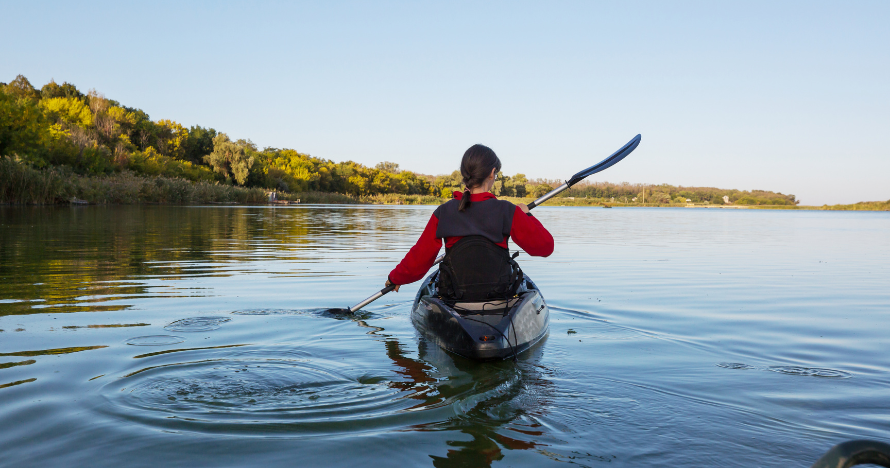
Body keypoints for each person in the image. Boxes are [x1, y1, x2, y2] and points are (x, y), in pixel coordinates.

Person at [385, 144, 554, 301]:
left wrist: (396, 278)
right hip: (499, 294)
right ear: (491, 173)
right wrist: (527, 215)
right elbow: (545, 247)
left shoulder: (443, 212)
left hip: (456, 295)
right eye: (496, 174)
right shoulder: (508, 211)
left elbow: (420, 256)